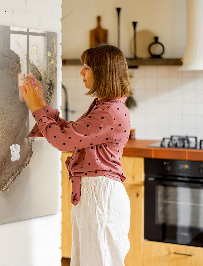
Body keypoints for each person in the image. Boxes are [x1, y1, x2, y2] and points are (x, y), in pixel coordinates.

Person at [19, 44, 132, 266]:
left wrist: (35, 108)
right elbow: (71, 133)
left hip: (100, 196)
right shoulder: (105, 106)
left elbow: (63, 141)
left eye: (87, 67)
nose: (81, 72)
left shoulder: (109, 111)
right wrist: (41, 103)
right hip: (94, 194)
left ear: (103, 71)